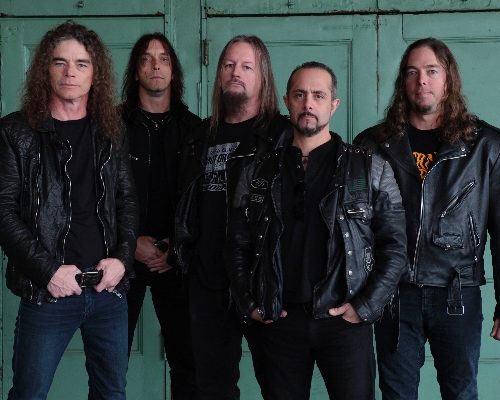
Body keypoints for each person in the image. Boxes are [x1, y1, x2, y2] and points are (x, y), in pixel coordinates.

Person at [224, 61, 407, 400]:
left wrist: (365, 306)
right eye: (299, 95)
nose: (308, 103)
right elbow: (236, 243)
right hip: (279, 321)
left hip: (344, 321)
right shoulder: (256, 171)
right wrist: (248, 302)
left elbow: (395, 247)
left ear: (333, 105)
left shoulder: (370, 168)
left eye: (318, 95)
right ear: (287, 102)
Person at [0, 21, 139, 399]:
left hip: (107, 288)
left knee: (111, 394)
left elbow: (126, 199)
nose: (70, 72)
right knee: (29, 394)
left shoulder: (111, 130)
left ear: (96, 73)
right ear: (45, 70)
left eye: (81, 63)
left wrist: (123, 260)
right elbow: (4, 212)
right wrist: (48, 271)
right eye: (60, 62)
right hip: (48, 290)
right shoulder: (15, 132)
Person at [355, 37, 500, 399]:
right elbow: (354, 228)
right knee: (396, 393)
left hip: (457, 291)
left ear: (448, 79)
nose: (422, 80)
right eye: (412, 72)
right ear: (403, 82)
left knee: (460, 392)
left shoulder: (485, 146)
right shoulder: (373, 145)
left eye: (432, 71)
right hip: (393, 293)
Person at [175, 35, 292, 399]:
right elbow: (185, 206)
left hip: (263, 281)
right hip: (208, 282)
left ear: (263, 76)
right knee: (213, 389)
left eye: (246, 66)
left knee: (281, 388)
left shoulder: (283, 135)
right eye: (228, 65)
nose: (235, 72)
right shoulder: (198, 137)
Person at [121, 32, 200, 399]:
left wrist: (176, 245)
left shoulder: (196, 130)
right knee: (109, 363)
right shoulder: (111, 126)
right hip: (121, 260)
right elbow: (96, 196)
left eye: (164, 58)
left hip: (177, 262)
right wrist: (129, 242)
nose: (155, 65)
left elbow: (205, 201)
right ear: (136, 71)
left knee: (189, 364)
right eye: (147, 58)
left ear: (174, 71)